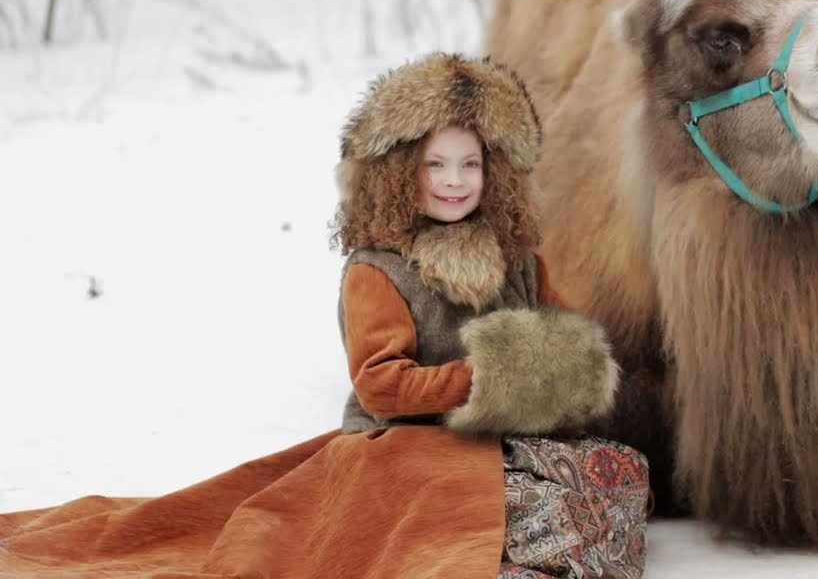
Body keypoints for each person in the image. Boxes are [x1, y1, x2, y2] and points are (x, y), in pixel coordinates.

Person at [0, 53, 648, 579]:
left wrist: (566, 374)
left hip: (500, 441)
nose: (455, 181)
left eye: (470, 164)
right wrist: (489, 379)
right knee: (500, 518)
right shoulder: (378, 269)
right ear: (400, 173)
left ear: (494, 173)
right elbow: (381, 385)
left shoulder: (517, 260)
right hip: (405, 445)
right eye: (436, 165)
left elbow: (568, 338)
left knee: (621, 476)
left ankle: (516, 540)